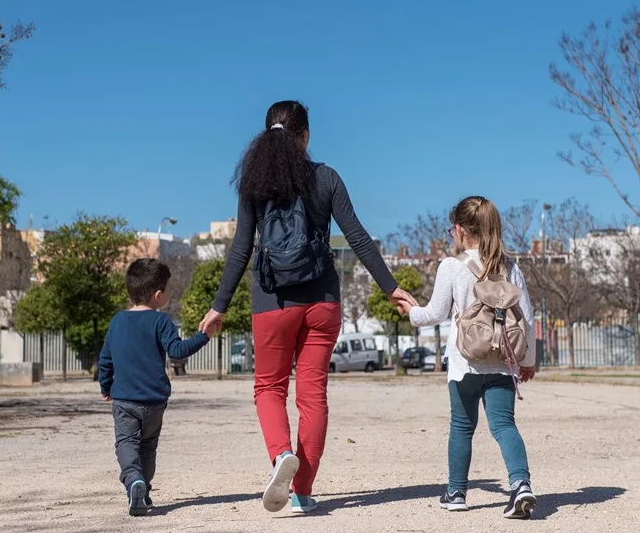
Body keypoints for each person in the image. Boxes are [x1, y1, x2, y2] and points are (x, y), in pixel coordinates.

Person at [198, 100, 417, 515]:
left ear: (266, 136)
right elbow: (357, 236)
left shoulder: (253, 184)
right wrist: (390, 287)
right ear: (306, 135)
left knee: (269, 388)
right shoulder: (326, 178)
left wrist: (218, 306)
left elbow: (241, 249)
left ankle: (281, 455)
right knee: (313, 395)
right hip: (323, 303)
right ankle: (302, 492)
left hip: (272, 303)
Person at [396, 196, 537, 519]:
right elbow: (527, 319)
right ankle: (520, 484)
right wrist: (526, 361)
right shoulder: (511, 266)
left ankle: (456, 492)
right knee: (503, 425)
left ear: (459, 230)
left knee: (462, 426)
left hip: (464, 363)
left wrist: (410, 311)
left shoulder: (452, 266)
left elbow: (435, 313)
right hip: (502, 362)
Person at [99, 258, 216, 517]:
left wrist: (105, 386)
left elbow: (105, 359)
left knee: (126, 443)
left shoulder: (117, 321)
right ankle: (144, 489)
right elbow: (177, 351)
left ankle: (134, 482)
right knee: (148, 446)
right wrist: (204, 336)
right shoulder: (161, 322)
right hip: (154, 401)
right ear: (158, 295)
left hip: (124, 400)